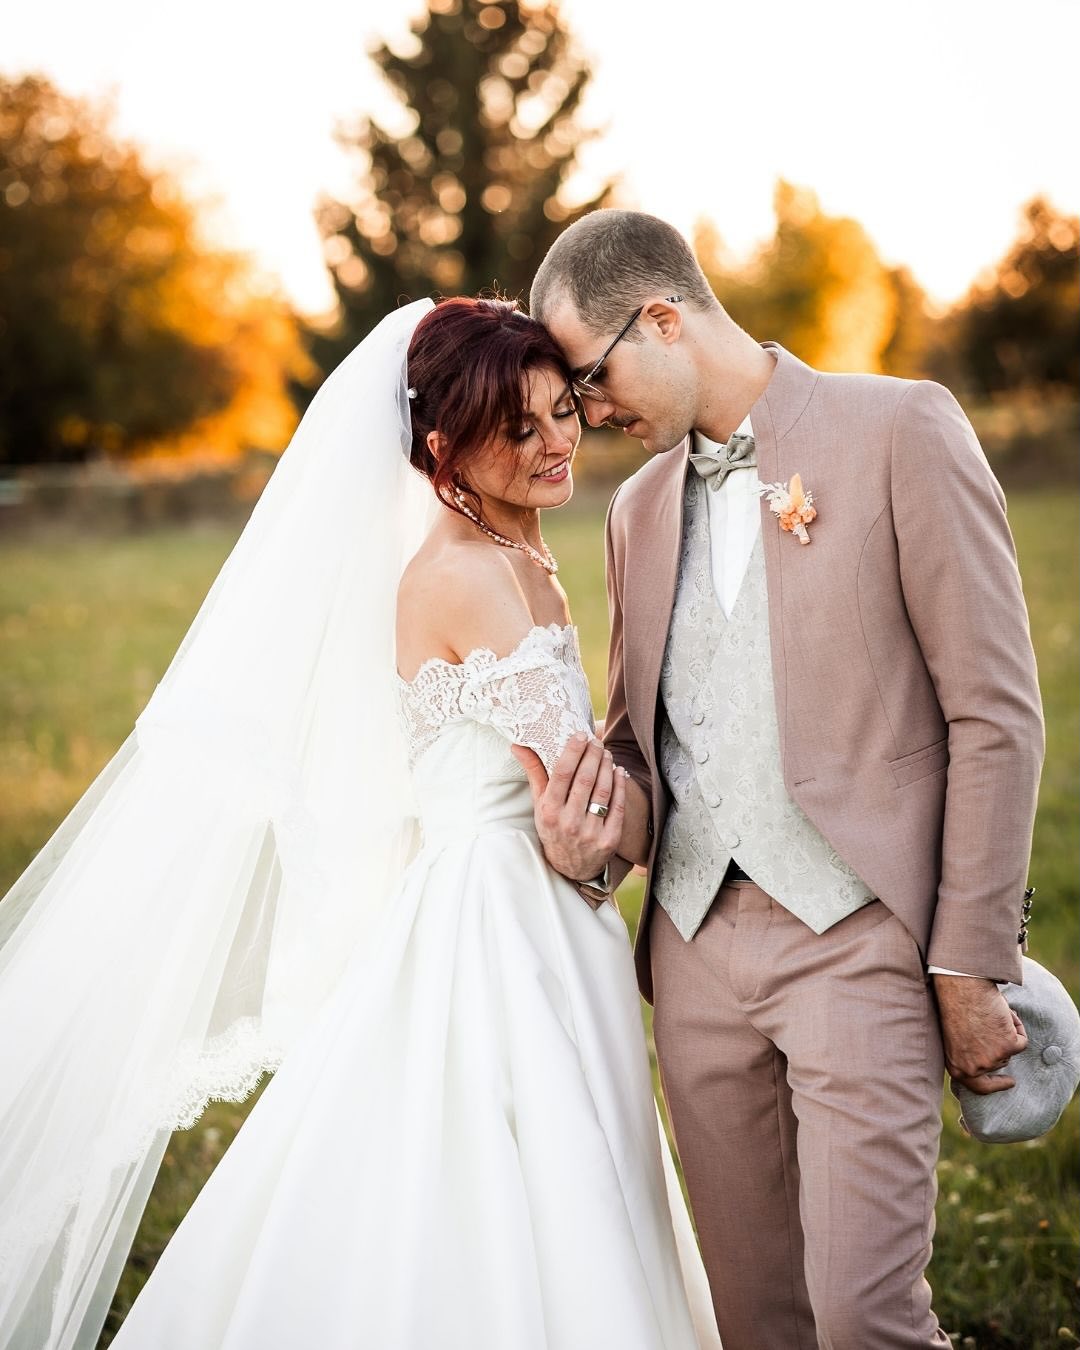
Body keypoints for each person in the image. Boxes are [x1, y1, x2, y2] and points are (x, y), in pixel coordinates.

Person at [0, 298, 721, 1350]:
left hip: (532, 892)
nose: (557, 441)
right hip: (499, 915)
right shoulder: (462, 577)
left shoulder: (515, 552)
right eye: (516, 430)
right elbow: (583, 793)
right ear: (442, 451)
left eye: (559, 409)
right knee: (513, 1176)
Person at [517, 210, 1045, 1350]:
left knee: (865, 1319)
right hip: (697, 964)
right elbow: (645, 737)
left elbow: (994, 715)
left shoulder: (902, 428)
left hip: (861, 942)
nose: (587, 413)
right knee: (757, 1322)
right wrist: (593, 832)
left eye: (591, 377)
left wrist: (968, 963)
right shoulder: (636, 509)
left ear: (663, 316)